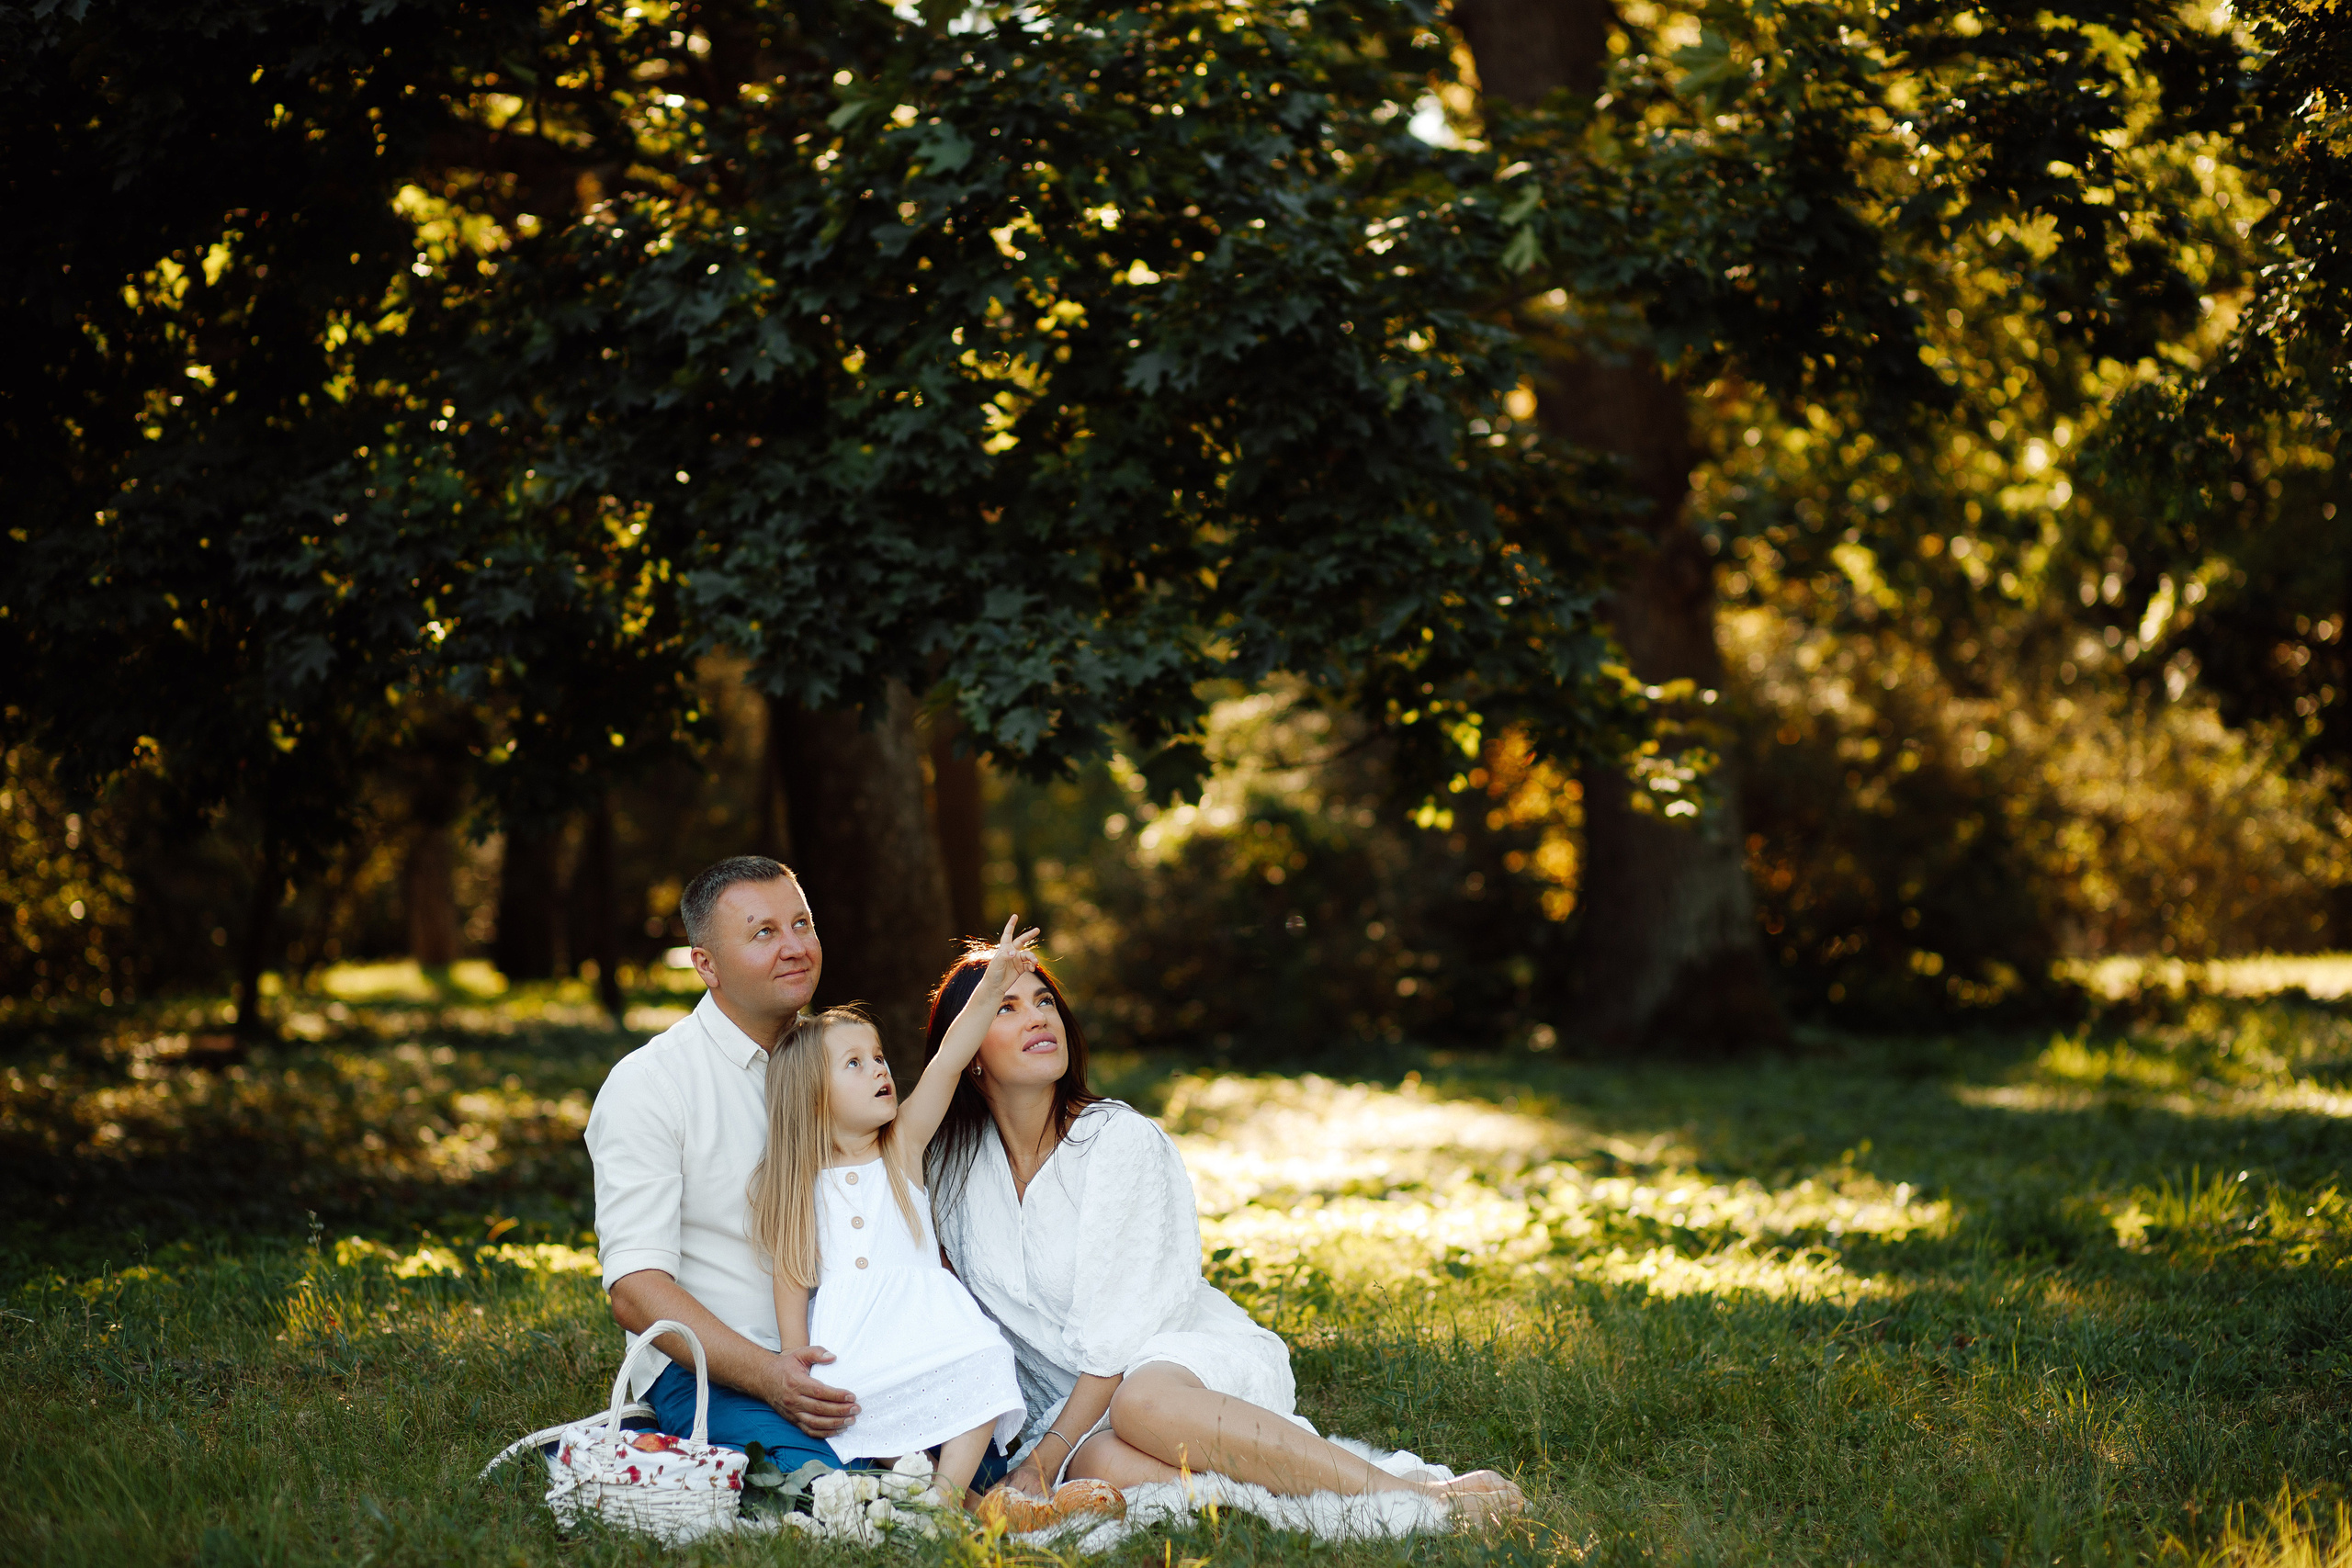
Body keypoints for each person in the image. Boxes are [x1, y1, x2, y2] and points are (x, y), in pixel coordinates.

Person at [922, 944, 1526, 1526]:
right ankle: (1323, 1498)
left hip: (1180, 1365)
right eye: (1007, 1006)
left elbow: (1116, 1339)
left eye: (1044, 1000)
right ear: (968, 1050)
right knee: (1104, 1464)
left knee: (1141, 1403)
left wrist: (1041, 1460)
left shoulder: (1118, 1140)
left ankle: (1415, 1499)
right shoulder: (951, 1173)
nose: (1037, 1016)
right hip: (1079, 1413)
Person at [741, 917, 1037, 1510]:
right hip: (857, 1346)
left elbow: (952, 1057)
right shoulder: (800, 1185)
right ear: (812, 1097)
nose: (880, 1068)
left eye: (877, 1056)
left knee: (982, 1357)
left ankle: (944, 1499)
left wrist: (994, 982)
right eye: (854, 1062)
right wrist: (794, 1359)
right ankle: (915, 1482)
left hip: (930, 1332)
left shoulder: (900, 1148)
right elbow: (792, 1275)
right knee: (844, 1406)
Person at [584, 855, 865, 1472]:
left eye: (802, 923)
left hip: (856, 1355)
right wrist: (771, 1376)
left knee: (980, 1460)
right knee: (848, 1490)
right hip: (718, 1372)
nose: (794, 947)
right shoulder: (650, 1084)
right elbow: (635, 1290)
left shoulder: (845, 1061)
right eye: (764, 932)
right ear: (705, 963)